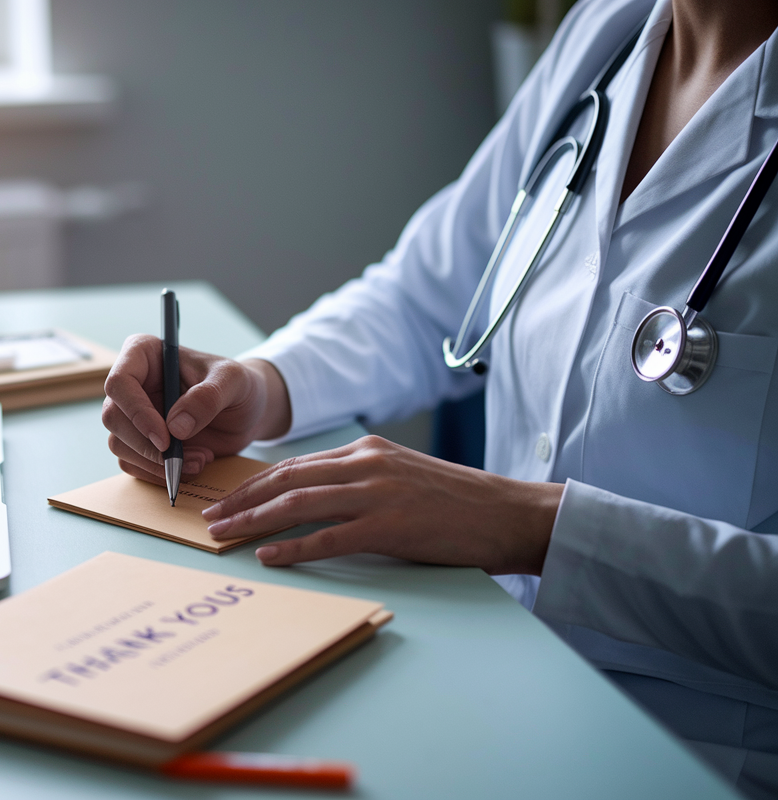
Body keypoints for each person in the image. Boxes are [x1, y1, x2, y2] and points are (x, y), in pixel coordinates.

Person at [101, 0, 778, 796]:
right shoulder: (613, 31)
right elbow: (430, 298)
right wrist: (261, 386)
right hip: (495, 679)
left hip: (700, 757)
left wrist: (533, 527)